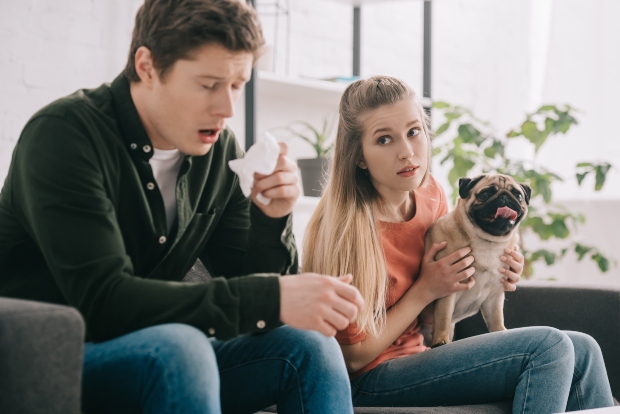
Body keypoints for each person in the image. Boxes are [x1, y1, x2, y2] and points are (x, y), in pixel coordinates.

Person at [0, 1, 364, 413]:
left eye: (237, 85)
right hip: (57, 358)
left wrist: (272, 218)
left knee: (310, 346)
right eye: (209, 85)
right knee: (182, 347)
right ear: (147, 66)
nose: (227, 109)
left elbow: (260, 301)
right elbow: (101, 302)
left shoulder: (217, 150)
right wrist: (270, 296)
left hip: (164, 356)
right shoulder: (65, 136)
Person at [302, 75, 615, 413]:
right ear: (359, 156)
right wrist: (426, 288)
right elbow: (353, 356)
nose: (407, 152)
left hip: (420, 355)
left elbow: (461, 269)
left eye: (413, 132)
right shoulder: (345, 230)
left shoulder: (429, 193)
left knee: (584, 348)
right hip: (370, 377)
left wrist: (498, 267)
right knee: (548, 346)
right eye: (384, 139)